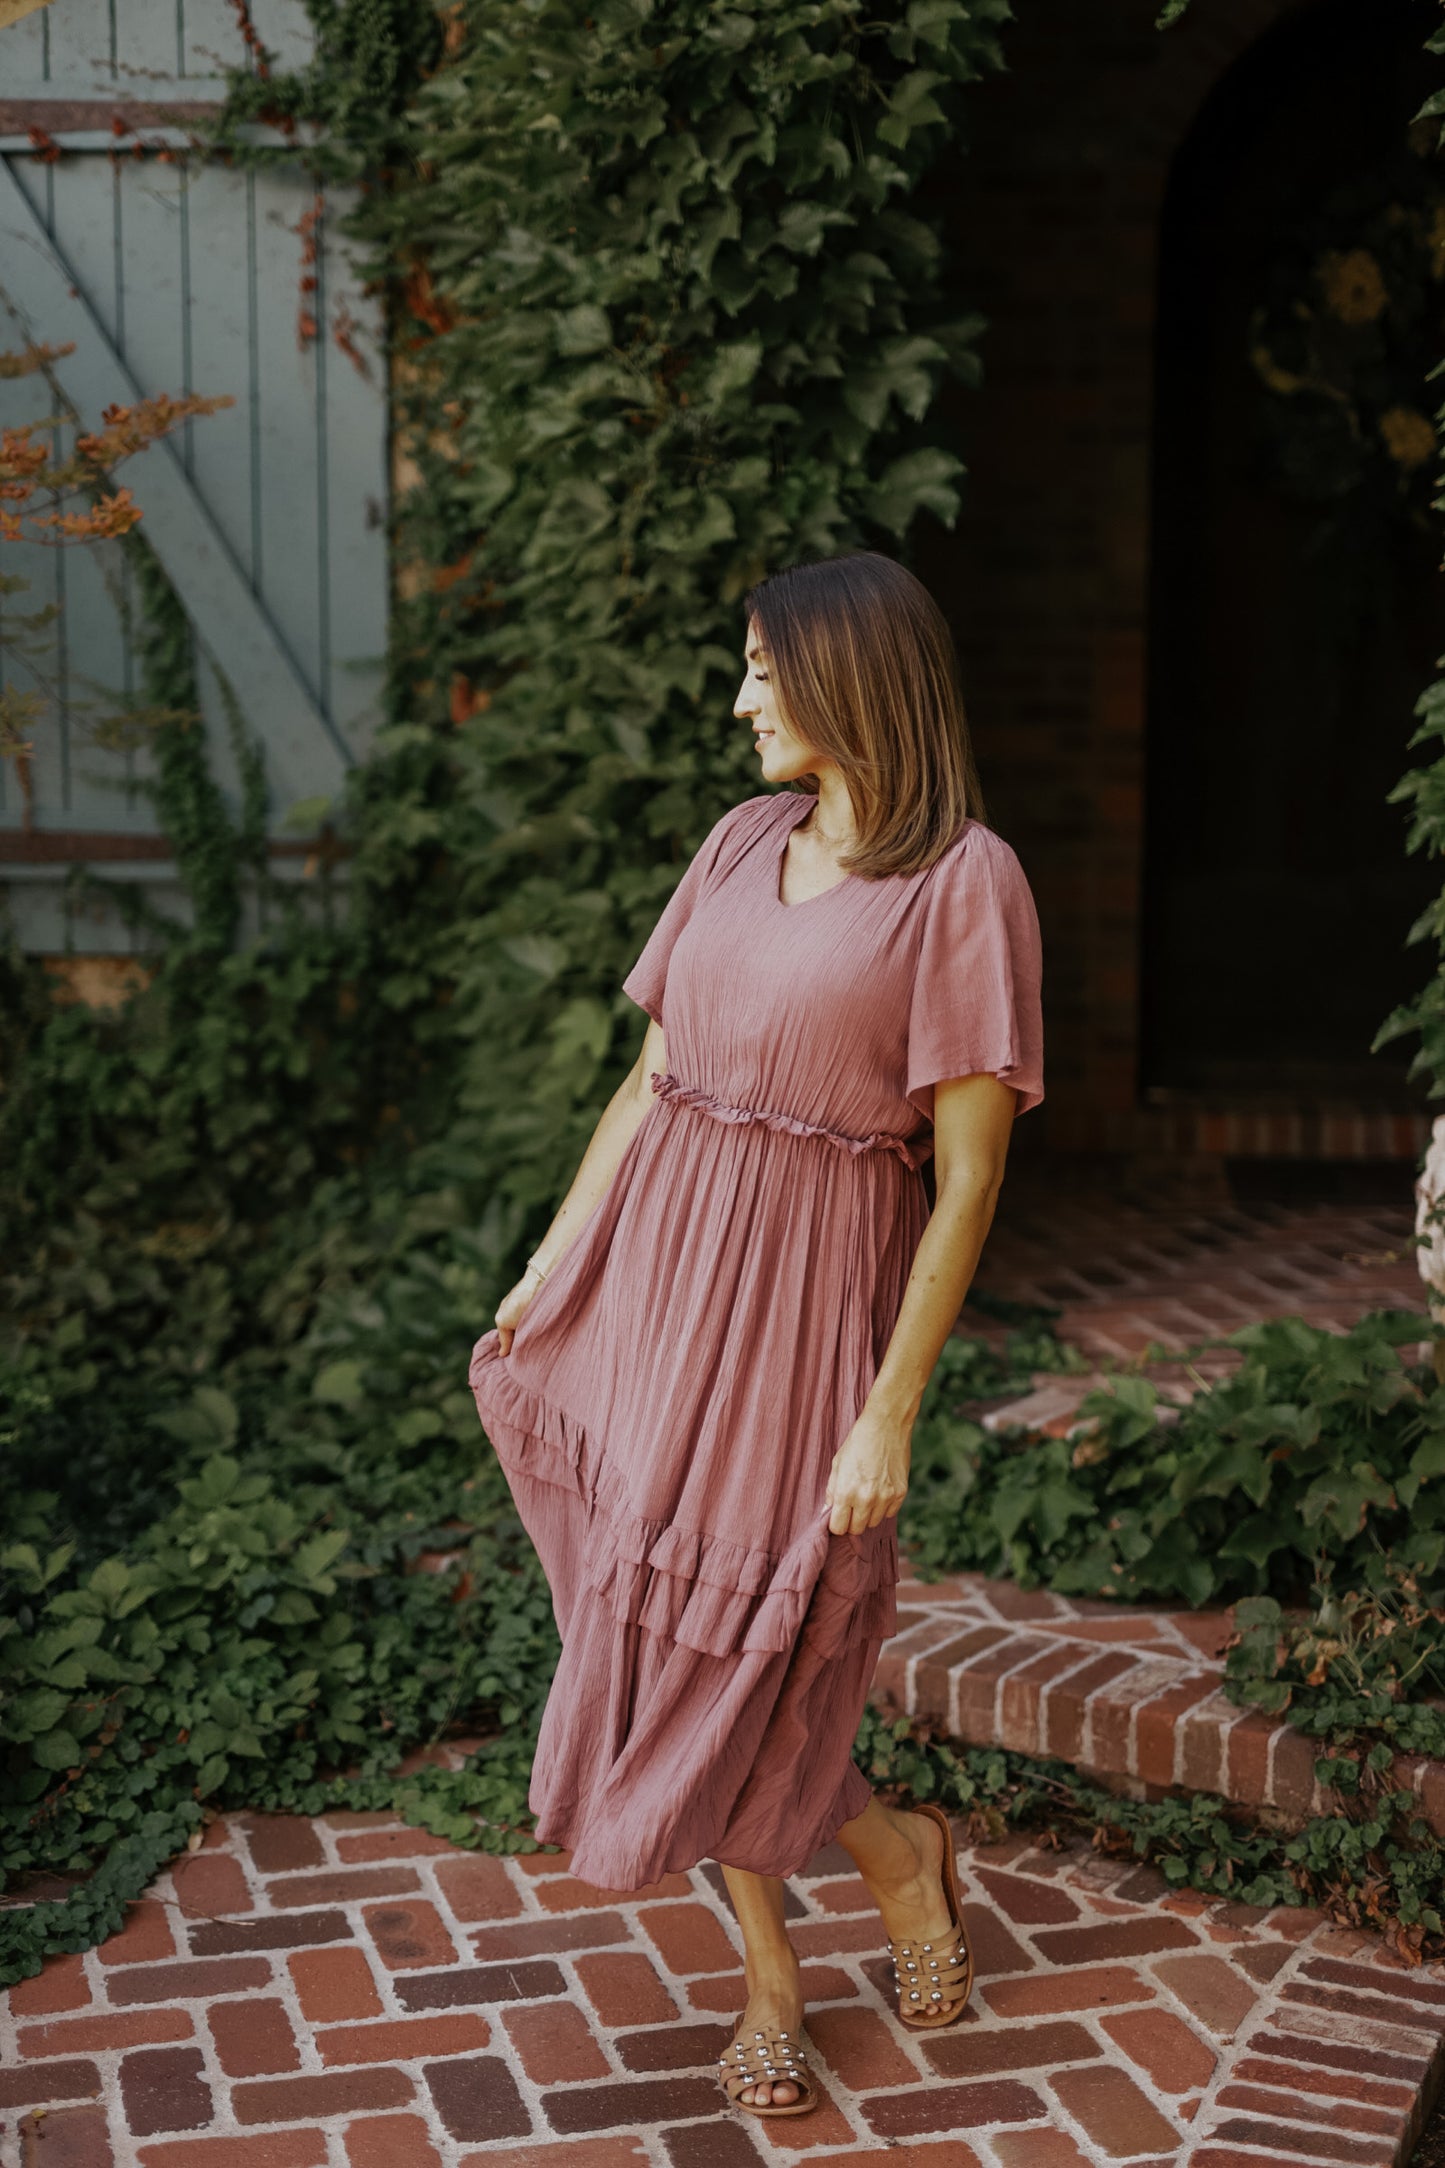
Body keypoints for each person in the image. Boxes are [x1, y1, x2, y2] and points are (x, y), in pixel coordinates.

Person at [469, 549, 1044, 2121]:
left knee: (762, 1644)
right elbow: (646, 1080)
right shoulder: (737, 841)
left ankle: (899, 1856)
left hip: (807, 1311)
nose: (738, 702)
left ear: (852, 682)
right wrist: (552, 1258)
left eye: (763, 674)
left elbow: (969, 1178)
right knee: (663, 1637)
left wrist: (889, 1411)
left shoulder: (965, 884)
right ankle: (775, 1978)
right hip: (659, 1282)